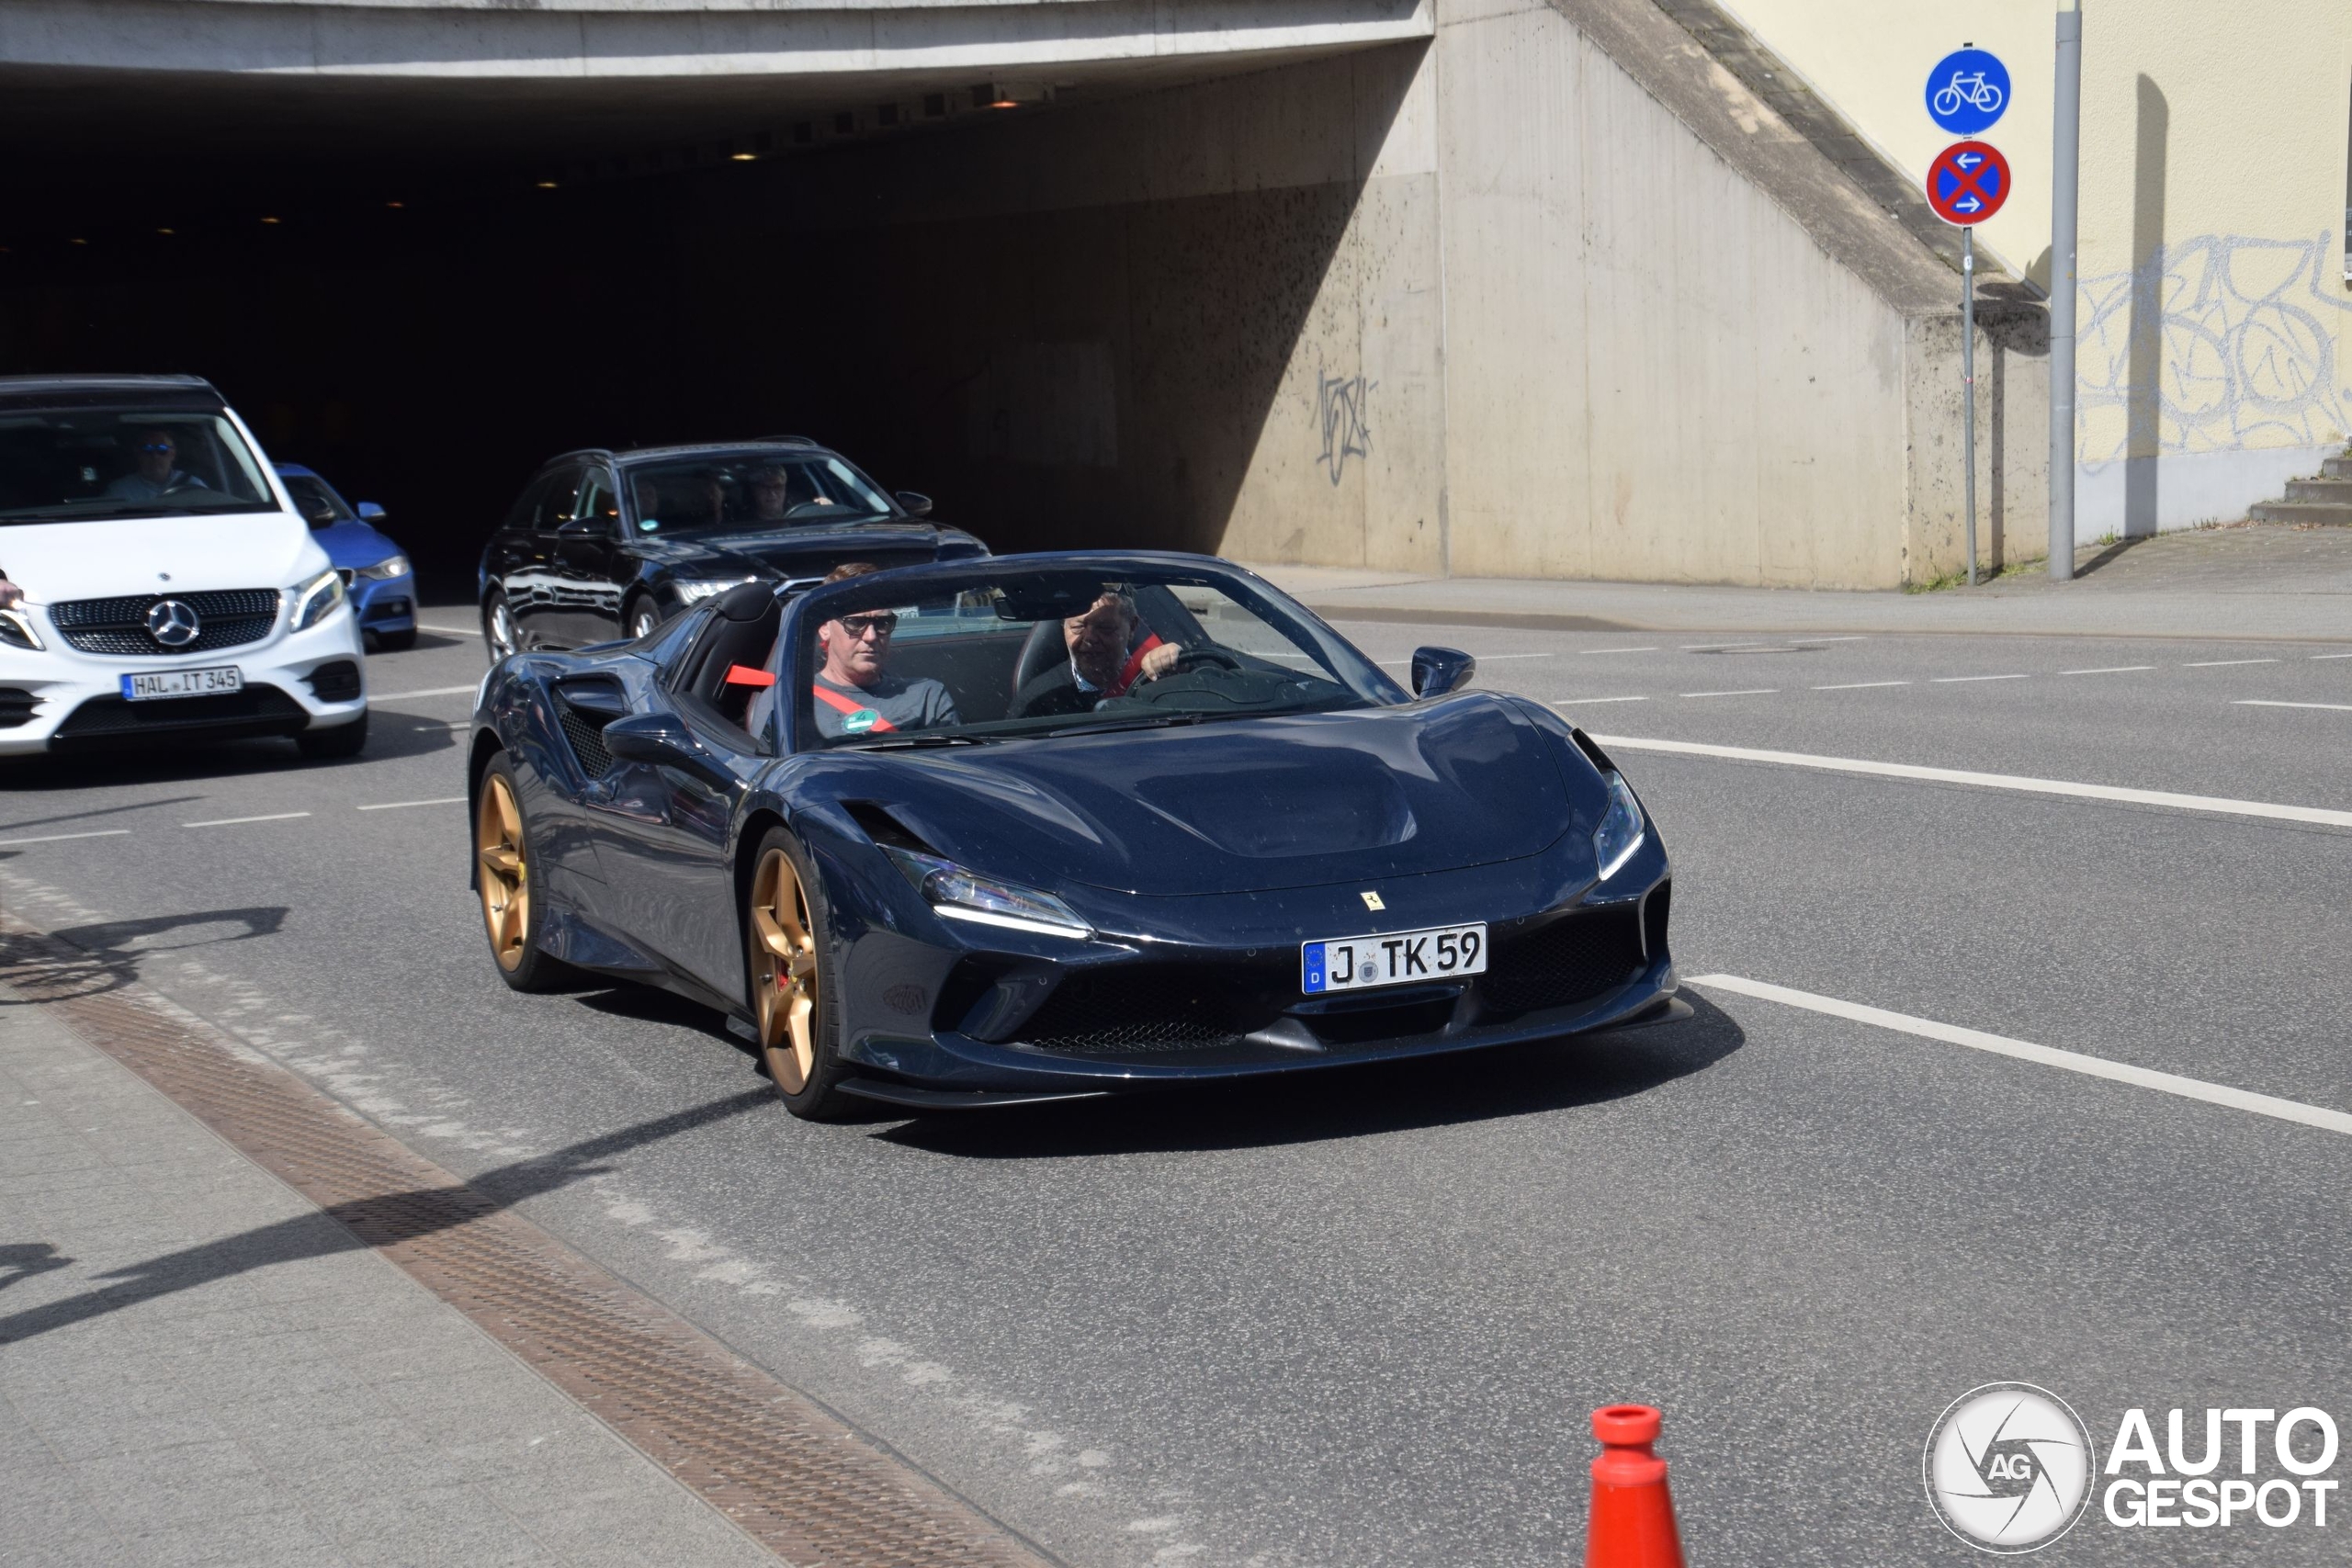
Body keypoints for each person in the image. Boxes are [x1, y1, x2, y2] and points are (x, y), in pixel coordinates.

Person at [743, 563, 959, 740]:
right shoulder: (788, 702)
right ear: (825, 627)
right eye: (856, 623)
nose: (871, 636)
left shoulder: (927, 696)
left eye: (883, 623)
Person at [1008, 589, 1183, 719]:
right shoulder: (1038, 701)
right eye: (1078, 627)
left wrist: (1178, 665)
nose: (1090, 638)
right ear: (1063, 628)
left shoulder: (1159, 672)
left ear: (1132, 627)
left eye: (1105, 628)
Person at [105, 429, 209, 501]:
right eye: (147, 450)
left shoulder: (193, 485)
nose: (155, 456)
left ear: (173, 454)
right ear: (138, 454)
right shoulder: (120, 491)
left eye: (162, 449)